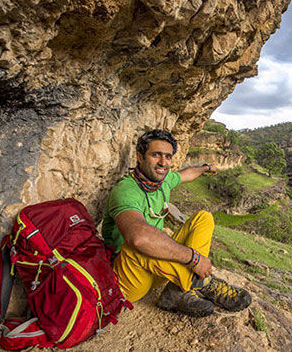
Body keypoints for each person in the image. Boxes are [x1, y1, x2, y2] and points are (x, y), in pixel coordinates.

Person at [102, 129, 251, 317]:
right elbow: (138, 238)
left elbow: (187, 174)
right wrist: (194, 259)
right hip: (129, 277)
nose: (163, 163)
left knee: (203, 218)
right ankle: (204, 283)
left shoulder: (164, 181)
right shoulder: (125, 190)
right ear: (140, 157)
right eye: (156, 155)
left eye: (168, 157)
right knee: (139, 244)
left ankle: (176, 293)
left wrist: (206, 168)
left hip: (157, 271)